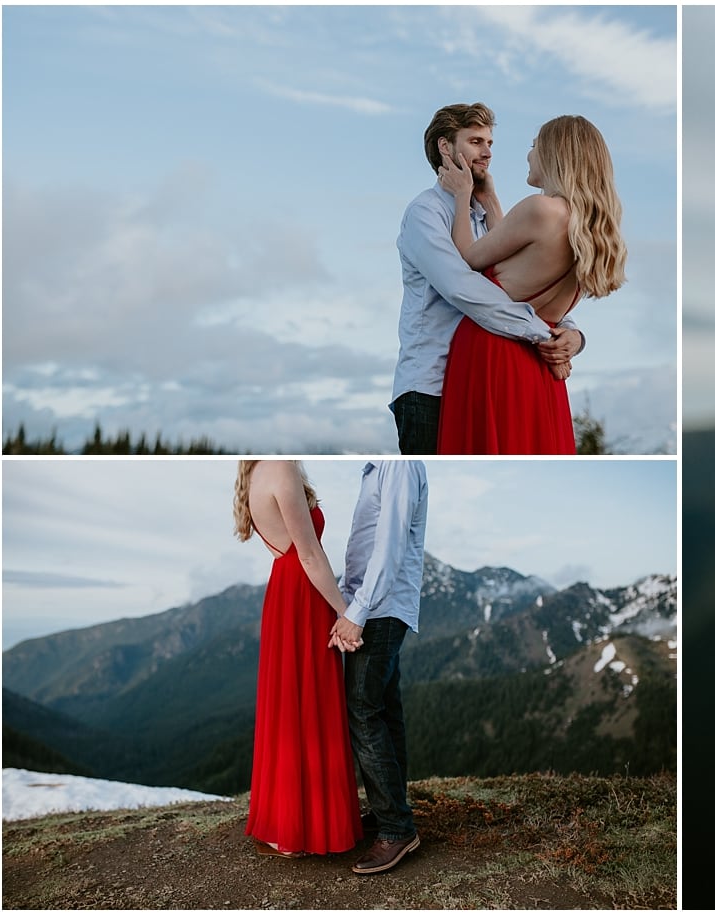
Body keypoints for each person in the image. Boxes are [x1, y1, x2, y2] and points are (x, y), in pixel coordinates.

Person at [393, 102, 586, 455]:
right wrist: (544, 334)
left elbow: (523, 288)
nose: (487, 152)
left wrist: (571, 333)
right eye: (476, 141)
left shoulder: (487, 215)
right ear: (446, 147)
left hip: (485, 378)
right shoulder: (426, 213)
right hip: (431, 387)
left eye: (490, 144)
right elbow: (463, 289)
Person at [434, 114, 628, 454]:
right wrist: (491, 201)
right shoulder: (592, 232)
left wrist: (462, 195)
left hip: (491, 357)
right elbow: (517, 258)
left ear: (555, 154)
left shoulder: (541, 209)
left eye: (535, 145)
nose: (529, 155)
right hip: (542, 370)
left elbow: (468, 257)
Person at [234, 460, 363, 858]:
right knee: (309, 705)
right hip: (304, 594)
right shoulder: (280, 468)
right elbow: (309, 554)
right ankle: (306, 826)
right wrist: (345, 611)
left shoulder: (252, 472)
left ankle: (285, 822)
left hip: (283, 592)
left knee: (287, 706)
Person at [329, 460, 428, 875]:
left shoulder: (397, 466)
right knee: (385, 712)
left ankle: (396, 828)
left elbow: (389, 544)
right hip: (375, 605)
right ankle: (392, 811)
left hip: (380, 608)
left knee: (363, 711)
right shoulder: (375, 470)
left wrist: (359, 610)